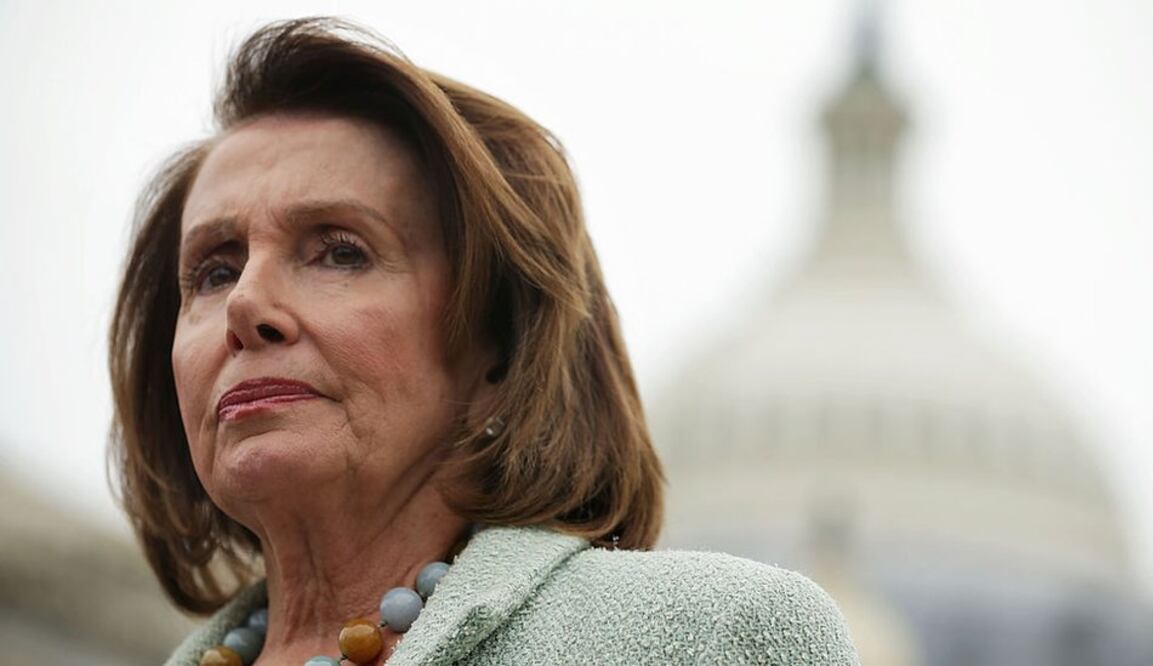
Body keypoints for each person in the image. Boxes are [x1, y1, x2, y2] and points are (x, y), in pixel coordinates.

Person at [108, 17, 859, 666]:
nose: (246, 304)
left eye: (339, 252)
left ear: (499, 343)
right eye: (214, 271)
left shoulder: (714, 639)